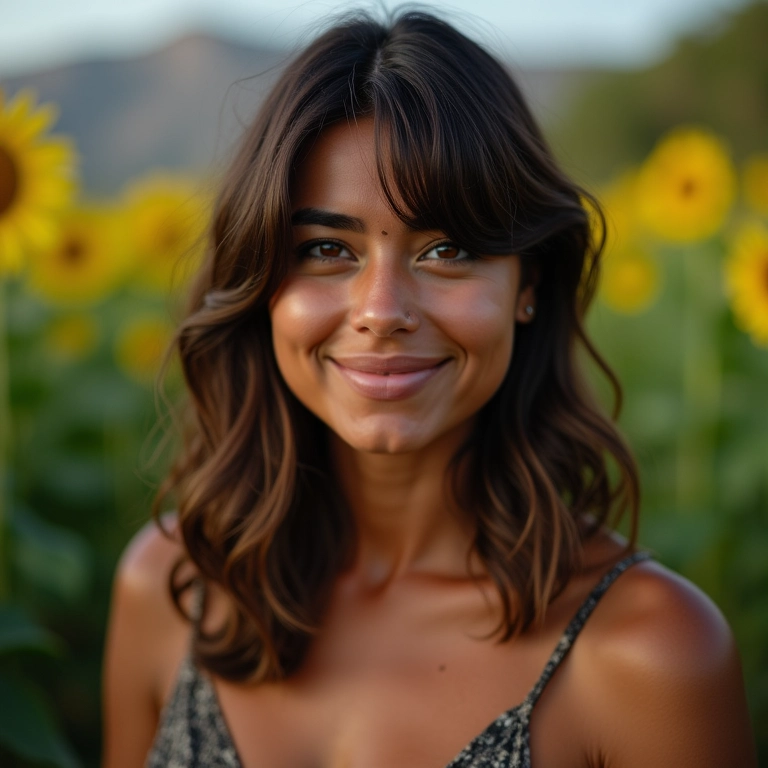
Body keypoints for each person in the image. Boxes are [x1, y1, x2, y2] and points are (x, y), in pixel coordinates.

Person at [102, 10, 757, 767]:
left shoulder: (652, 653)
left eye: (448, 249)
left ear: (528, 283)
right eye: (325, 249)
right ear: (262, 287)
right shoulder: (170, 590)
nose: (382, 311)